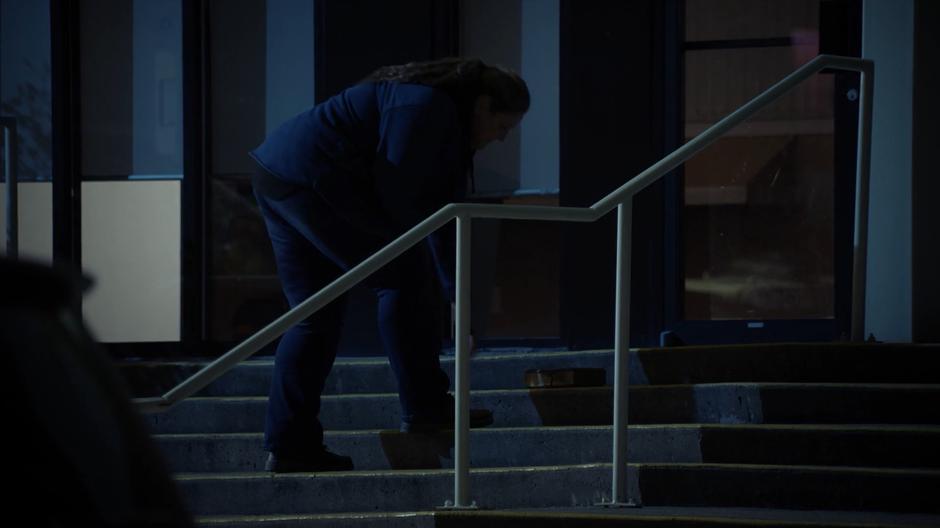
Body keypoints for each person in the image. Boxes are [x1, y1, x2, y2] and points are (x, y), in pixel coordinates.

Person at [249, 57, 529, 473]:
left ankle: (291, 443)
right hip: (312, 178)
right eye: (502, 126)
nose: (502, 139)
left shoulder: (437, 117)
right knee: (404, 277)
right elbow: (406, 203)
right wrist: (450, 297)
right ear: (483, 104)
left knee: (313, 314)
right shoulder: (426, 110)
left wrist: (459, 302)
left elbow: (442, 216)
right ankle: (425, 405)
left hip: (280, 173)